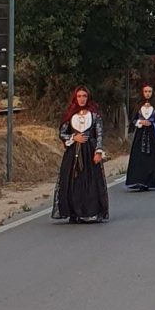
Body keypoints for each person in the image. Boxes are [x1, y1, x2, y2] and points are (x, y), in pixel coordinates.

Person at [52, 86, 109, 223]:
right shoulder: (71, 115)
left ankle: (90, 211)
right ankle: (74, 211)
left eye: (84, 96)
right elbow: (62, 133)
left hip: (89, 151)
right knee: (73, 181)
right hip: (73, 153)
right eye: (79, 96)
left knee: (90, 181)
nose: (82, 99)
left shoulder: (95, 115)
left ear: (88, 97)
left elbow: (99, 134)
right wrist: (73, 137)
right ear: (75, 98)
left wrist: (98, 151)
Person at [126, 84, 155, 191]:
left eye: (149, 91)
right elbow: (133, 120)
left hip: (151, 134)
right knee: (139, 157)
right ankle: (138, 180)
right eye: (145, 91)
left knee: (151, 158)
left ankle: (149, 181)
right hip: (140, 134)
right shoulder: (138, 106)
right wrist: (140, 122)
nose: (147, 93)